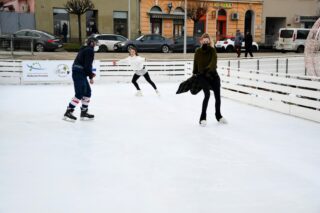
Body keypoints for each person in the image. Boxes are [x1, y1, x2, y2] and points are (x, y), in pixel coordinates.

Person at [191, 33, 227, 126]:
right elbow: (195, 63)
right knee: (207, 95)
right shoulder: (198, 51)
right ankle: (202, 118)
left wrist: (208, 69)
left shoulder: (212, 50)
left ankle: (218, 116)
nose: (206, 42)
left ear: (209, 41)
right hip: (202, 76)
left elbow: (214, 62)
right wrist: (194, 73)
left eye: (207, 41)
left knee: (217, 96)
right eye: (204, 41)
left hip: (213, 75)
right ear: (201, 41)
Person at [63, 37, 99, 121]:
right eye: (96, 43)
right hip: (78, 72)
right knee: (80, 93)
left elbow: (85, 65)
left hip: (80, 72)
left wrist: (89, 75)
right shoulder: (89, 50)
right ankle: (68, 111)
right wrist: (90, 76)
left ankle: (84, 112)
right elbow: (87, 65)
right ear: (92, 43)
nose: (97, 45)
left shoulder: (85, 49)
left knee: (87, 92)